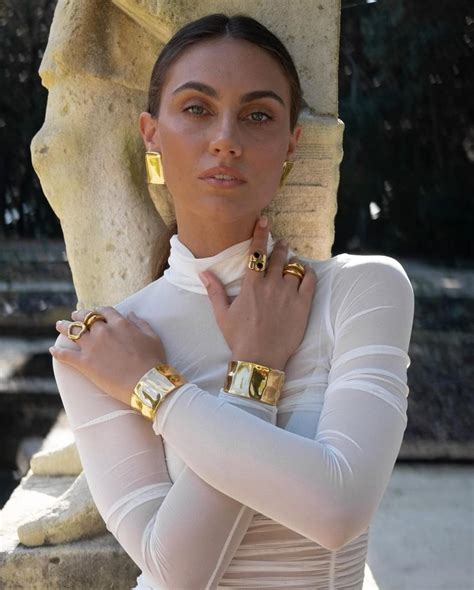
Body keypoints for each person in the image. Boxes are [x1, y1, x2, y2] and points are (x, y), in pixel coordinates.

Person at [49, 13, 415, 590]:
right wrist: (255, 370)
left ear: (291, 143)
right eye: (197, 108)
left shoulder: (363, 290)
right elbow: (177, 571)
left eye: (257, 115)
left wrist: (156, 390)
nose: (226, 139)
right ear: (151, 133)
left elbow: (337, 511)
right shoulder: (104, 347)